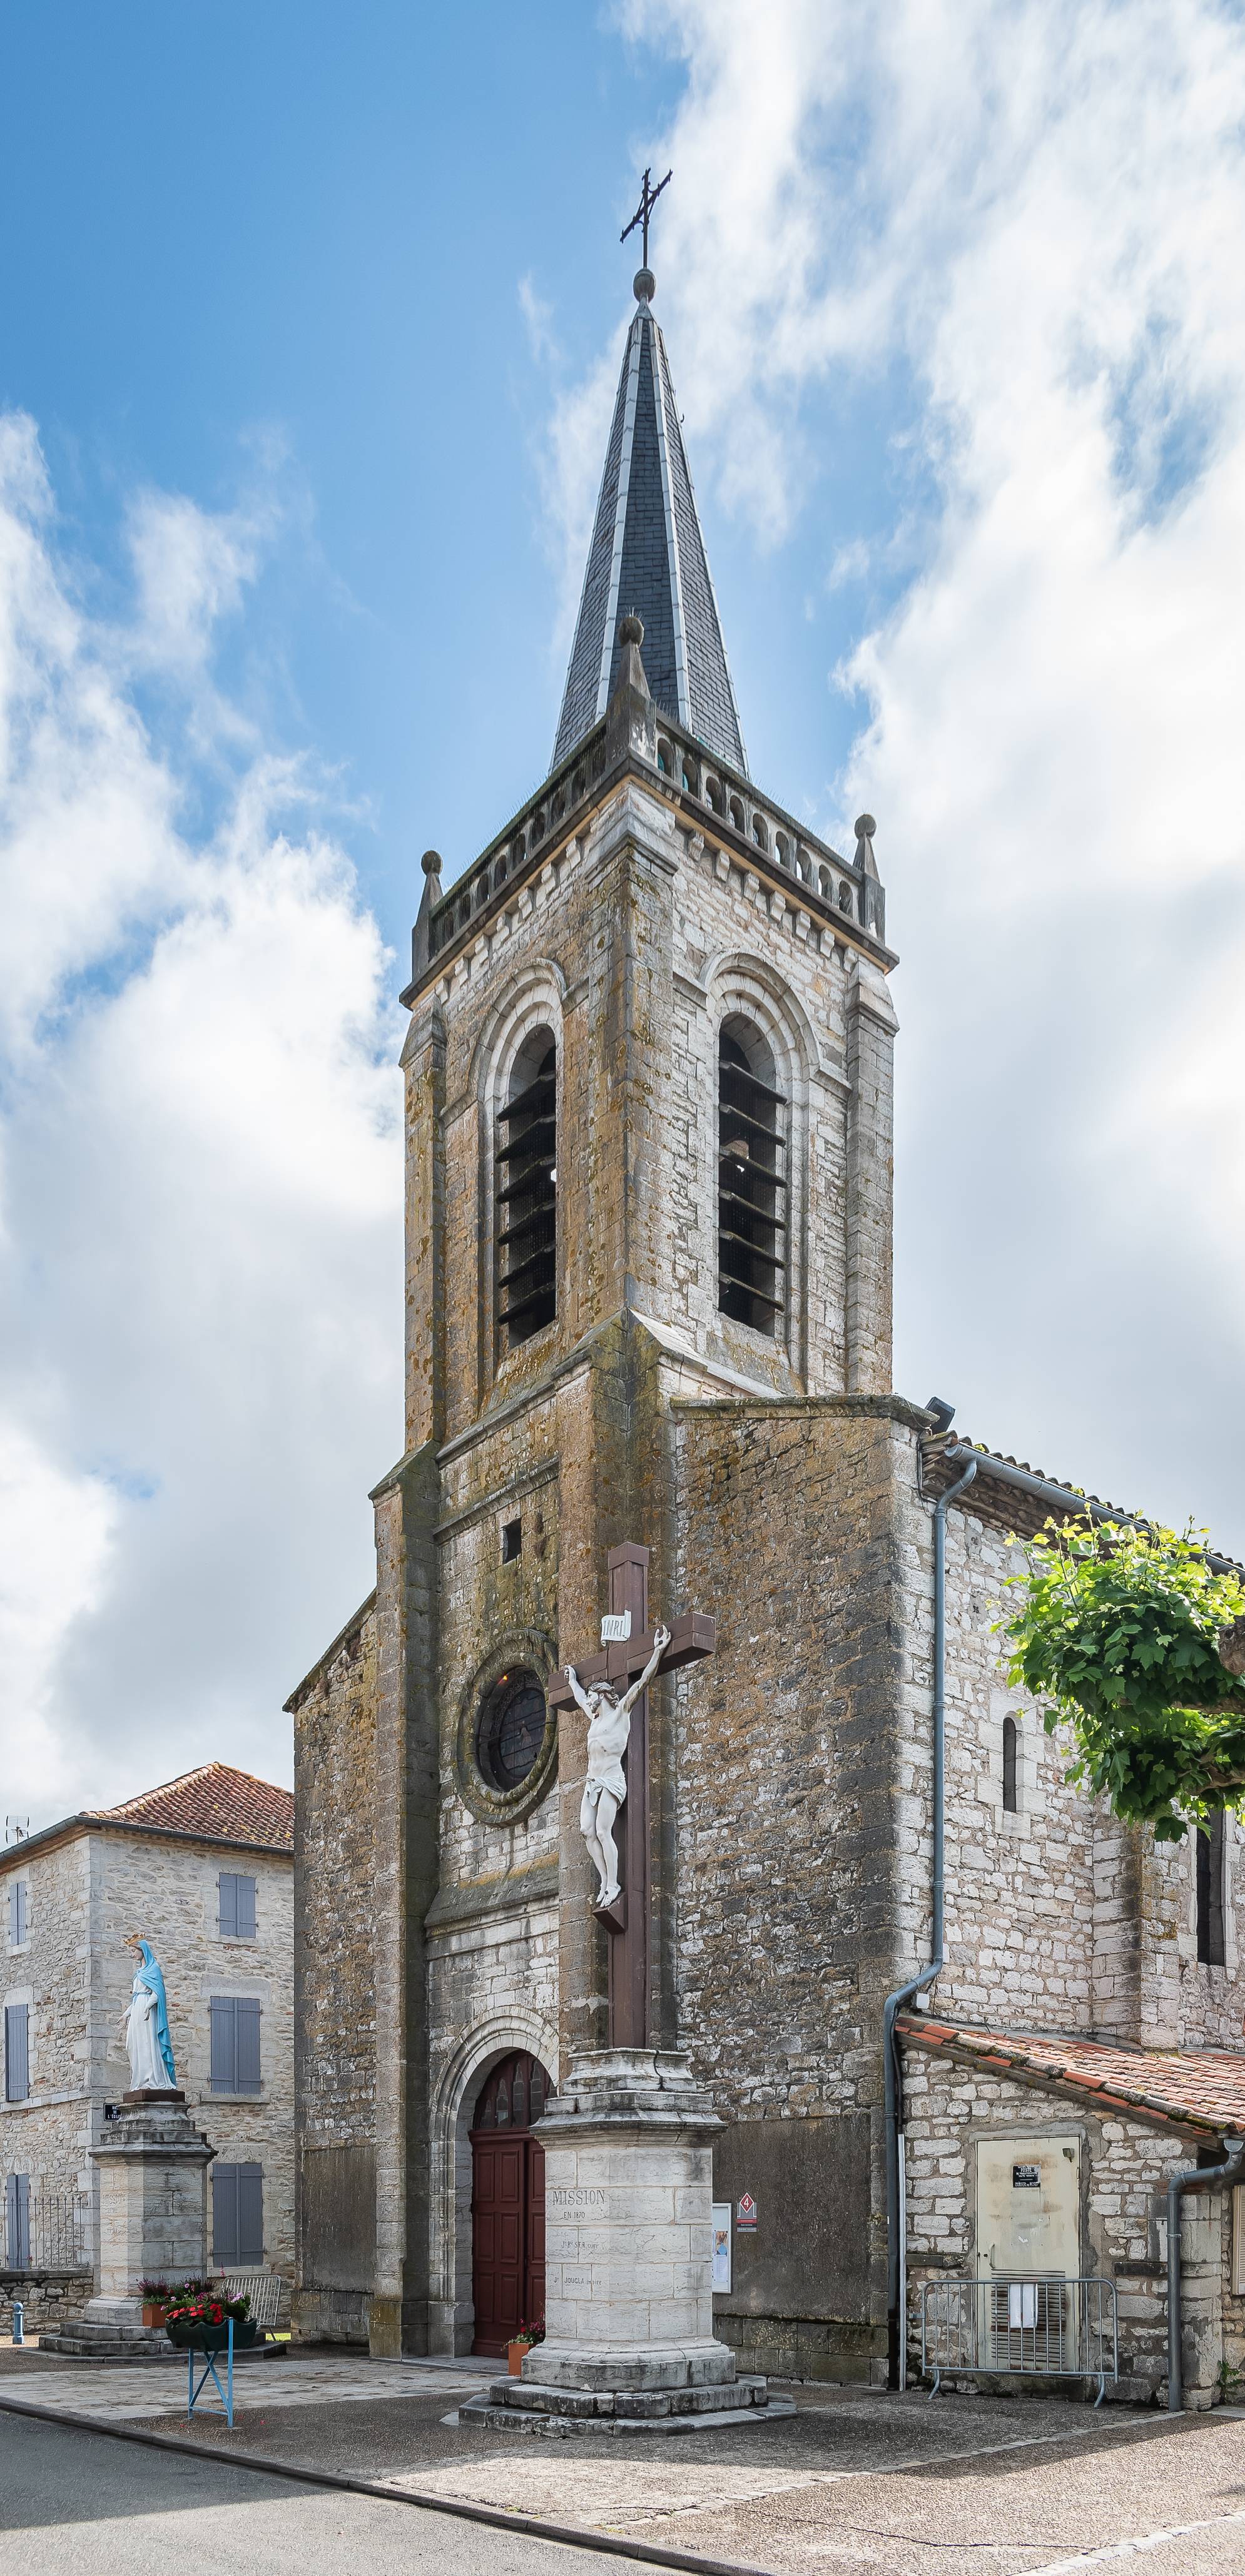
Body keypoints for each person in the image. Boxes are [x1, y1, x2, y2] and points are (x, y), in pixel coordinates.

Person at [566, 1625, 670, 1907]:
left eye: (592, 1696)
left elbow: (641, 1684)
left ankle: (613, 1883)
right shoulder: (595, 1719)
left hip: (611, 1781)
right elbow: (577, 1697)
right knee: (586, 1831)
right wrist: (573, 1681)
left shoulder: (620, 1713)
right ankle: (604, 1880)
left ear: (602, 1696)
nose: (588, 1700)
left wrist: (657, 1651)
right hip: (591, 1782)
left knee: (602, 1831)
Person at [118, 1937, 178, 2091]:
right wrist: (126, 2014)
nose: (132, 1955)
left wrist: (148, 2007)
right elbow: (136, 1996)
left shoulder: (154, 1969)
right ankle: (140, 2080)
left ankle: (152, 2079)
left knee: (147, 2044)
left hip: (148, 2013)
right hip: (137, 2010)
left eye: (133, 1951)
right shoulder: (138, 1973)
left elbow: (157, 1993)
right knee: (132, 2044)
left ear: (143, 1950)